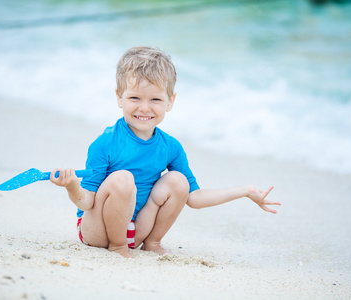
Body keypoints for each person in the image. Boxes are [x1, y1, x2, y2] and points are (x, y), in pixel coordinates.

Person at [50, 46, 280, 258]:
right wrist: (72, 186)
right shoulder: (105, 143)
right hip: (96, 230)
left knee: (179, 181)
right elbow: (87, 202)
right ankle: (118, 247)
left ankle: (152, 242)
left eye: (155, 99)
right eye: (134, 98)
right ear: (119, 97)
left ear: (170, 101)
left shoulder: (170, 147)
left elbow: (194, 198)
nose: (144, 107)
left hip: (136, 230)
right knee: (123, 178)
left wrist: (245, 191)